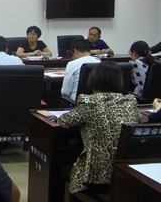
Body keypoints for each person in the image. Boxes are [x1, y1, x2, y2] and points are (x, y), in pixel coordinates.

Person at [58, 62, 141, 194]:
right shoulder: (130, 102)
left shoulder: (89, 102)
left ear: (93, 80)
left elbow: (64, 122)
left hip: (94, 176)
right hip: (124, 175)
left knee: (62, 168)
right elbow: (138, 121)